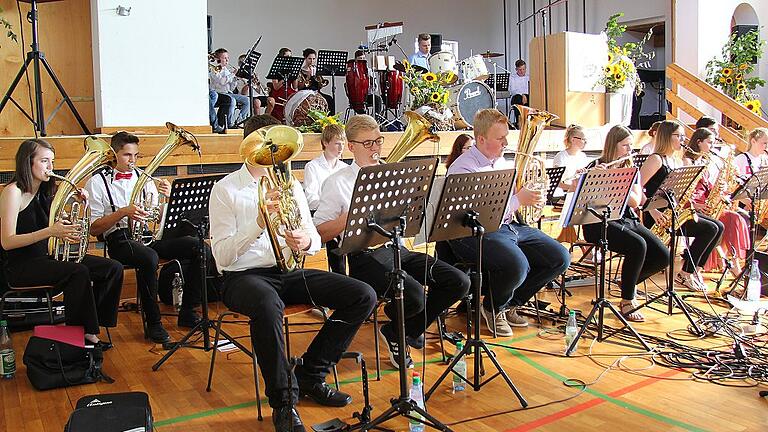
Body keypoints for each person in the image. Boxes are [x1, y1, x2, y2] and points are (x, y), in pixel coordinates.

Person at [209, 115, 377, 432]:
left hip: (286, 272)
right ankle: (284, 402)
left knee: (362, 295)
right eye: (267, 147)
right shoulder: (226, 189)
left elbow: (313, 238)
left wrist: (305, 240)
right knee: (266, 306)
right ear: (249, 148)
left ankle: (311, 374)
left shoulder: (290, 184)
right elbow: (221, 256)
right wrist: (258, 221)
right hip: (242, 277)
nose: (274, 156)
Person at [313, 114, 470, 368]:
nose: (375, 148)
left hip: (397, 248)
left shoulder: (391, 174)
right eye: (368, 144)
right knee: (415, 295)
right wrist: (351, 216)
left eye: (378, 141)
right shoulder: (337, 183)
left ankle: (400, 330)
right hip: (363, 256)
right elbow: (319, 232)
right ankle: (401, 327)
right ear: (351, 147)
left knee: (458, 282)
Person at [446, 109, 570, 337]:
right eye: (500, 138)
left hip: (509, 225)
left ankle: (511, 302)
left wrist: (532, 199)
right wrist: (518, 199)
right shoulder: (464, 167)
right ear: (481, 139)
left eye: (506, 136)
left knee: (559, 258)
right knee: (517, 264)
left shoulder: (502, 161)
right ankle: (493, 307)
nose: (506, 142)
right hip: (475, 232)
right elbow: (479, 213)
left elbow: (512, 200)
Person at [86, 132, 213, 344]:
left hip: (147, 237)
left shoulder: (143, 178)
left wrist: (169, 197)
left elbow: (158, 216)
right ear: (114, 154)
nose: (133, 161)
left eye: (136, 155)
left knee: (201, 248)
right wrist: (123, 212)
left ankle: (189, 311)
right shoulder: (97, 182)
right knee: (149, 258)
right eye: (127, 155)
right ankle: (153, 323)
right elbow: (93, 228)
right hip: (120, 239)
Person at [0, 139, 123, 348]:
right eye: (44, 161)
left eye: (53, 162)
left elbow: (61, 224)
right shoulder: (13, 192)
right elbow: (7, 242)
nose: (51, 168)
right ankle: (84, 334)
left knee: (113, 268)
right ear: (27, 162)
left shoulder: (45, 192)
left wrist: (79, 204)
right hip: (19, 266)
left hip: (45, 258)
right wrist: (50, 231)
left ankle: (94, 324)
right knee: (78, 272)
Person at [581, 125, 669, 322]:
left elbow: (635, 201)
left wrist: (614, 180)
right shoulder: (595, 165)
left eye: (631, 146)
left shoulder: (632, 170)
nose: (629, 151)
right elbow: (582, 198)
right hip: (599, 222)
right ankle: (628, 300)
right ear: (613, 146)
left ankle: (628, 282)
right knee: (637, 245)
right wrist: (594, 177)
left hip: (626, 218)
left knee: (663, 256)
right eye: (625, 146)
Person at [639, 120, 724, 291]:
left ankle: (693, 271)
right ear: (666, 136)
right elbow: (637, 188)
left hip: (673, 213)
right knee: (710, 229)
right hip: (657, 215)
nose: (683, 139)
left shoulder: (676, 161)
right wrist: (652, 210)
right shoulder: (656, 159)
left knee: (718, 226)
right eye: (679, 136)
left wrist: (692, 205)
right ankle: (685, 273)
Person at [684, 128, 749, 275]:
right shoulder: (688, 161)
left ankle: (704, 268)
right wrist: (697, 205)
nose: (712, 147)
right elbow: (685, 191)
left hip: (706, 204)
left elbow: (707, 186)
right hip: (694, 206)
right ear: (699, 142)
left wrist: (721, 189)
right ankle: (692, 270)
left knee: (734, 219)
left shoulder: (706, 160)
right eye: (710, 143)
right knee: (728, 221)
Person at [303, 124, 348, 212]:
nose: (341, 148)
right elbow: (311, 199)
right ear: (325, 143)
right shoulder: (312, 166)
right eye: (337, 144)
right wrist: (331, 207)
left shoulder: (345, 167)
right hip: (322, 214)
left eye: (343, 144)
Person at [209, 48, 251, 127]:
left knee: (247, 100)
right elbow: (222, 81)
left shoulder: (227, 70)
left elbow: (231, 88)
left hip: (228, 93)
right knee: (232, 100)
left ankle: (240, 121)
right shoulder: (215, 69)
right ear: (218, 59)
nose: (227, 60)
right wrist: (232, 74)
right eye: (224, 58)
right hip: (219, 93)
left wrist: (235, 79)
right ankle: (228, 123)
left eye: (227, 58)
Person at [552, 124, 591, 193]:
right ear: (573, 140)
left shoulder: (583, 156)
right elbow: (556, 182)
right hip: (565, 194)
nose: (586, 142)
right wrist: (573, 187)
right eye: (583, 139)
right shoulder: (561, 156)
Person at [298, 48, 335, 114]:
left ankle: (331, 120)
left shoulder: (316, 69)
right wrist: (308, 76)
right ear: (305, 58)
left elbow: (320, 84)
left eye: (314, 59)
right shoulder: (300, 71)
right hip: (305, 94)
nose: (312, 61)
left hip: (317, 92)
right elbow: (300, 87)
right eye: (309, 59)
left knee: (329, 99)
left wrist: (320, 83)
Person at [509, 60, 530, 126]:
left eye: (524, 69)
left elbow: (530, 89)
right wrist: (522, 95)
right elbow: (512, 90)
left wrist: (525, 95)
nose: (522, 71)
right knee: (518, 98)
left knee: (529, 98)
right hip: (516, 97)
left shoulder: (529, 77)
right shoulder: (512, 77)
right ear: (516, 69)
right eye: (520, 69)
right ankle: (519, 121)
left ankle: (528, 121)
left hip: (527, 96)